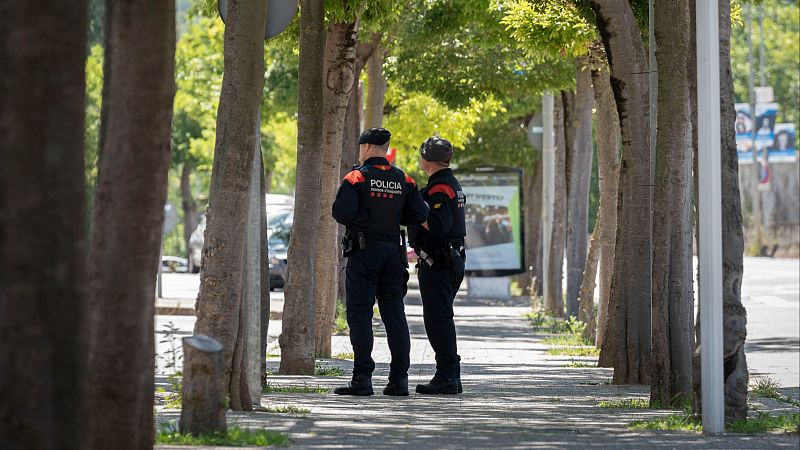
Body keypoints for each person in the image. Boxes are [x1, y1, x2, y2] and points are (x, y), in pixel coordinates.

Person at [331, 127, 429, 397]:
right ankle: (399, 380)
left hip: (364, 253)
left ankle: (362, 378)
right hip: (392, 253)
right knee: (395, 315)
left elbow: (340, 212)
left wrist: (364, 216)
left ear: (364, 148)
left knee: (360, 315)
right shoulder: (404, 180)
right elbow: (419, 213)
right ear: (385, 150)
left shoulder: (355, 178)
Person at [409, 136, 467, 395]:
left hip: (440, 261)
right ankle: (451, 375)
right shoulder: (447, 184)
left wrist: (416, 210)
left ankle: (446, 376)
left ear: (428, 158)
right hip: (449, 259)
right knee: (441, 317)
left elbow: (437, 225)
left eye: (421, 154)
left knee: (438, 319)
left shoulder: (441, 188)